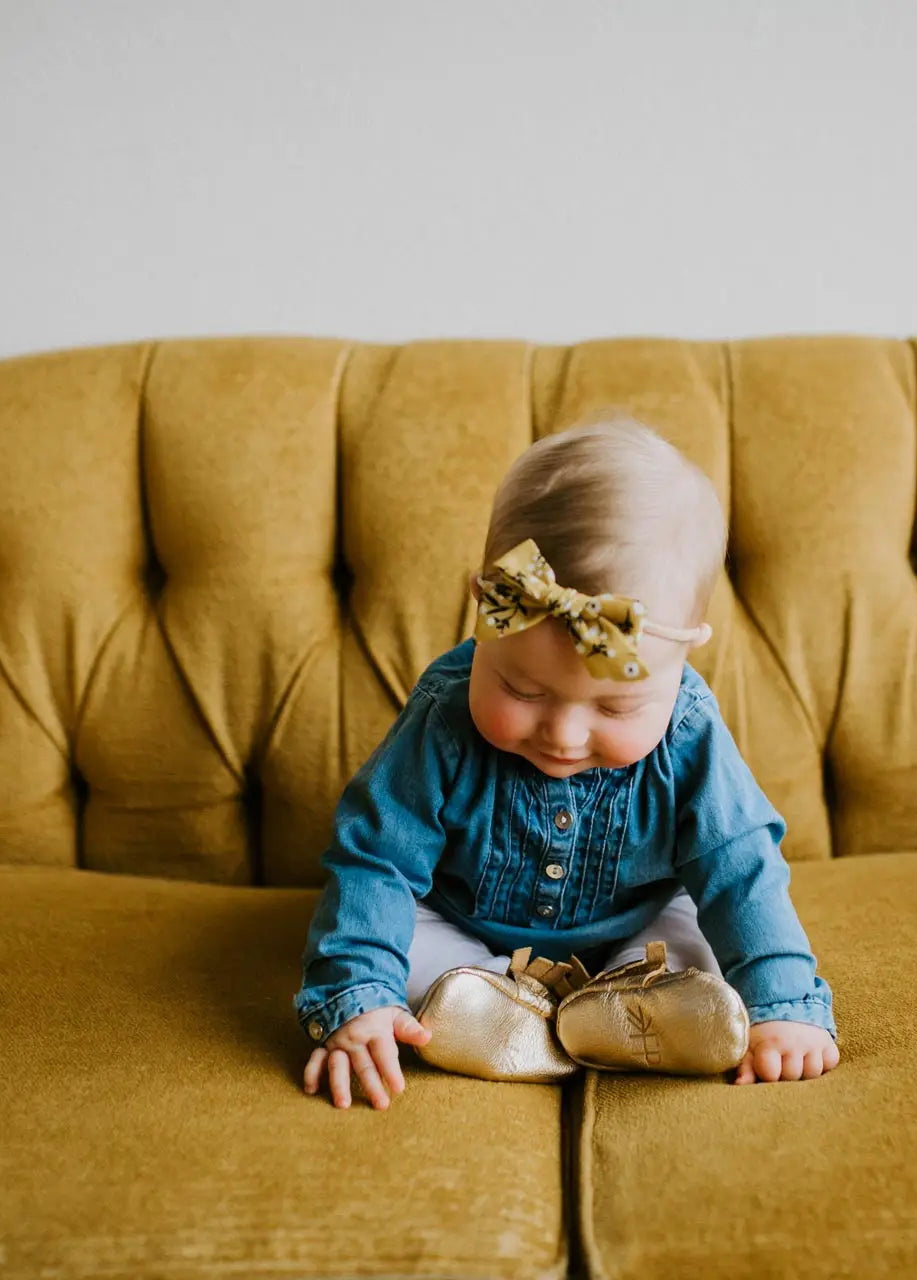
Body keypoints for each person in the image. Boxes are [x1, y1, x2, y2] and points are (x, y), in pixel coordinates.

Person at [296, 417, 838, 1109]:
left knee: (705, 961)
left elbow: (742, 872)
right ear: (483, 613)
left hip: (638, 924)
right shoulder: (445, 717)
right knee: (401, 970)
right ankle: (490, 1005)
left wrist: (783, 1007)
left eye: (615, 710)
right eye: (521, 689)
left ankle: (625, 1002)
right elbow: (376, 862)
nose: (563, 733)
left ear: (685, 657)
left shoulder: (689, 733)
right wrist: (357, 998)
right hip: (462, 923)